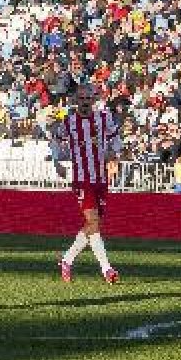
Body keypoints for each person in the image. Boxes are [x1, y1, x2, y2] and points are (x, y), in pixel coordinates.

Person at [51, 83, 120, 284]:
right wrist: (57, 163)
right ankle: (107, 269)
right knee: (93, 221)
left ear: (93, 99)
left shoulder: (104, 118)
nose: (84, 102)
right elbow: (55, 140)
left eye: (88, 99)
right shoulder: (69, 121)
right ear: (76, 100)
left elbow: (116, 138)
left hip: (100, 178)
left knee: (93, 224)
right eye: (81, 99)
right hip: (82, 179)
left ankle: (66, 260)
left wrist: (114, 156)